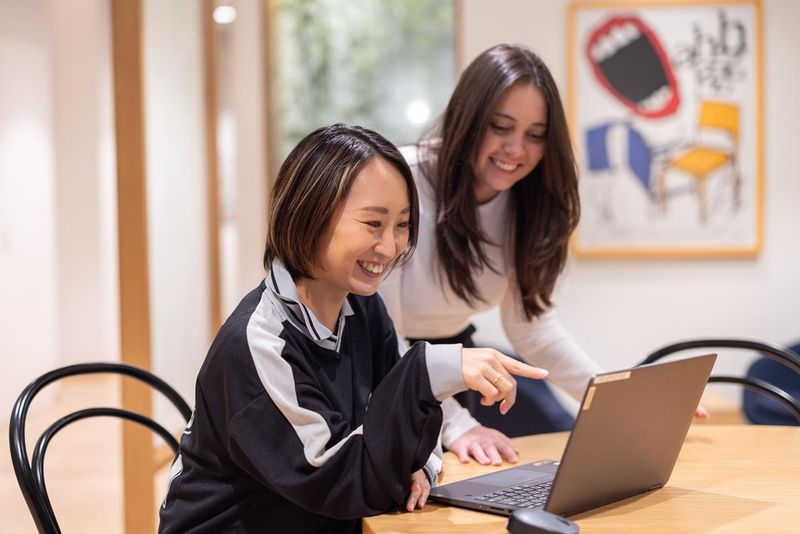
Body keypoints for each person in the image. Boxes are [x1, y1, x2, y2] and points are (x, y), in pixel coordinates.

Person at [158, 124, 548, 533]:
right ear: (310, 215)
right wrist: (430, 370)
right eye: (373, 223)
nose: (391, 247)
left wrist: (420, 468)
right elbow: (343, 483)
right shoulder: (260, 344)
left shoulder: (363, 309)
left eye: (402, 225)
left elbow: (399, 430)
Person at [379, 43, 603, 466]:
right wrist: (457, 424)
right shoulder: (402, 182)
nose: (516, 150)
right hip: (377, 365)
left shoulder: (529, 203)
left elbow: (533, 330)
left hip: (448, 364)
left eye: (535, 135)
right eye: (501, 127)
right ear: (468, 118)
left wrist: (612, 399)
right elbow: (383, 339)